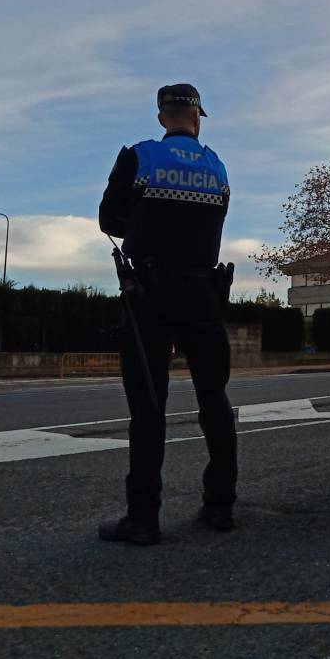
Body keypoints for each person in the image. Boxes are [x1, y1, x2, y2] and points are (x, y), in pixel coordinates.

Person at [97, 83, 237, 546]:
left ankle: (144, 518)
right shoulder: (217, 167)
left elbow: (109, 220)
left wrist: (144, 225)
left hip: (149, 295)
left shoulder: (139, 157)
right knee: (214, 400)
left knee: (149, 407)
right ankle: (220, 507)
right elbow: (216, 221)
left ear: (162, 118)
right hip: (203, 292)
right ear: (198, 118)